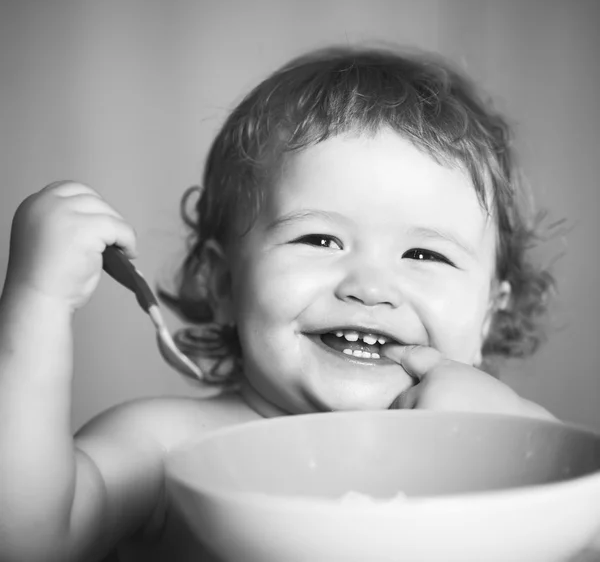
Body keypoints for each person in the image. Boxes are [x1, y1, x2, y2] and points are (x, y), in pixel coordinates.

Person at [0, 46, 557, 562]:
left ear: (491, 314)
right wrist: (38, 301)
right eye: (319, 240)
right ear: (221, 283)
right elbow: (29, 541)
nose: (369, 287)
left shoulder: (498, 445)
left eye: (424, 253)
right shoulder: (165, 447)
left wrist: (513, 435)